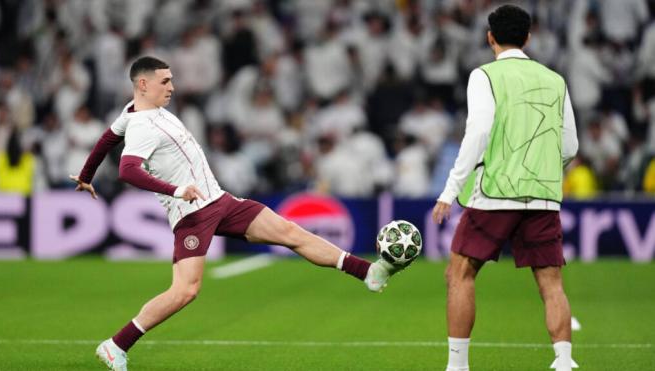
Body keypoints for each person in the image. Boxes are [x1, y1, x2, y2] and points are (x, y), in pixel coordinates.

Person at [71, 56, 401, 371]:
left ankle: (368, 273)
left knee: (289, 232)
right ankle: (116, 345)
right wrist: (175, 190)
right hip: (192, 213)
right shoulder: (142, 123)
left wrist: (86, 176)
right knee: (186, 290)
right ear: (143, 84)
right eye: (165, 81)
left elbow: (106, 139)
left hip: (220, 201)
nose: (172, 86)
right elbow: (128, 171)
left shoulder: (134, 111)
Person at [431, 5, 579, 371]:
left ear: (490, 37)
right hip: (543, 196)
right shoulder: (555, 80)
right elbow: (571, 146)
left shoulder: (485, 76)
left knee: (460, 272)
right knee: (551, 283)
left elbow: (478, 132)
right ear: (528, 38)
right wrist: (543, 170)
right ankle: (563, 361)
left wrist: (450, 190)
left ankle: (457, 365)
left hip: (496, 192)